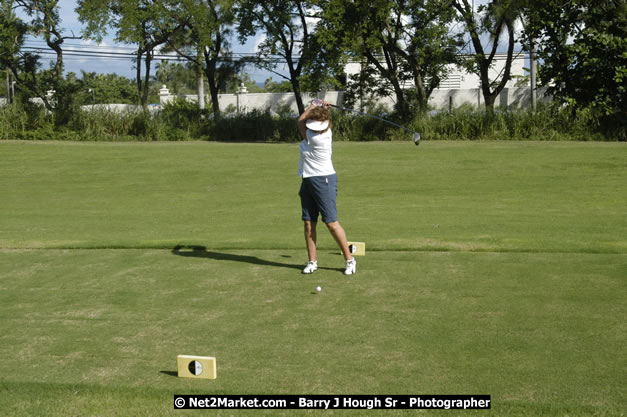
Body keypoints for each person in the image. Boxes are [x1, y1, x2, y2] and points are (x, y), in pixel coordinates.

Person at [297, 99, 356, 275]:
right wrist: (320, 107)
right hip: (307, 179)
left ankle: (350, 260)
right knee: (309, 223)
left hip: (324, 180)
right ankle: (312, 261)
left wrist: (315, 106)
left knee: (331, 223)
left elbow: (301, 120)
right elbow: (302, 121)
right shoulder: (315, 130)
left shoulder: (320, 136)